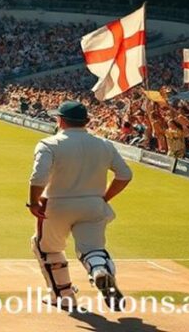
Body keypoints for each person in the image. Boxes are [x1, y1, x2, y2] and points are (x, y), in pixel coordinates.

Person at [28, 101, 133, 310]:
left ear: (60, 120)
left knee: (47, 249)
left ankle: (63, 296)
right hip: (93, 204)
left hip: (57, 205)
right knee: (93, 250)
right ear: (86, 121)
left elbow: (38, 177)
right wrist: (104, 198)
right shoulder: (104, 144)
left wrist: (33, 202)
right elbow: (125, 175)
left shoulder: (49, 144)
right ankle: (98, 271)